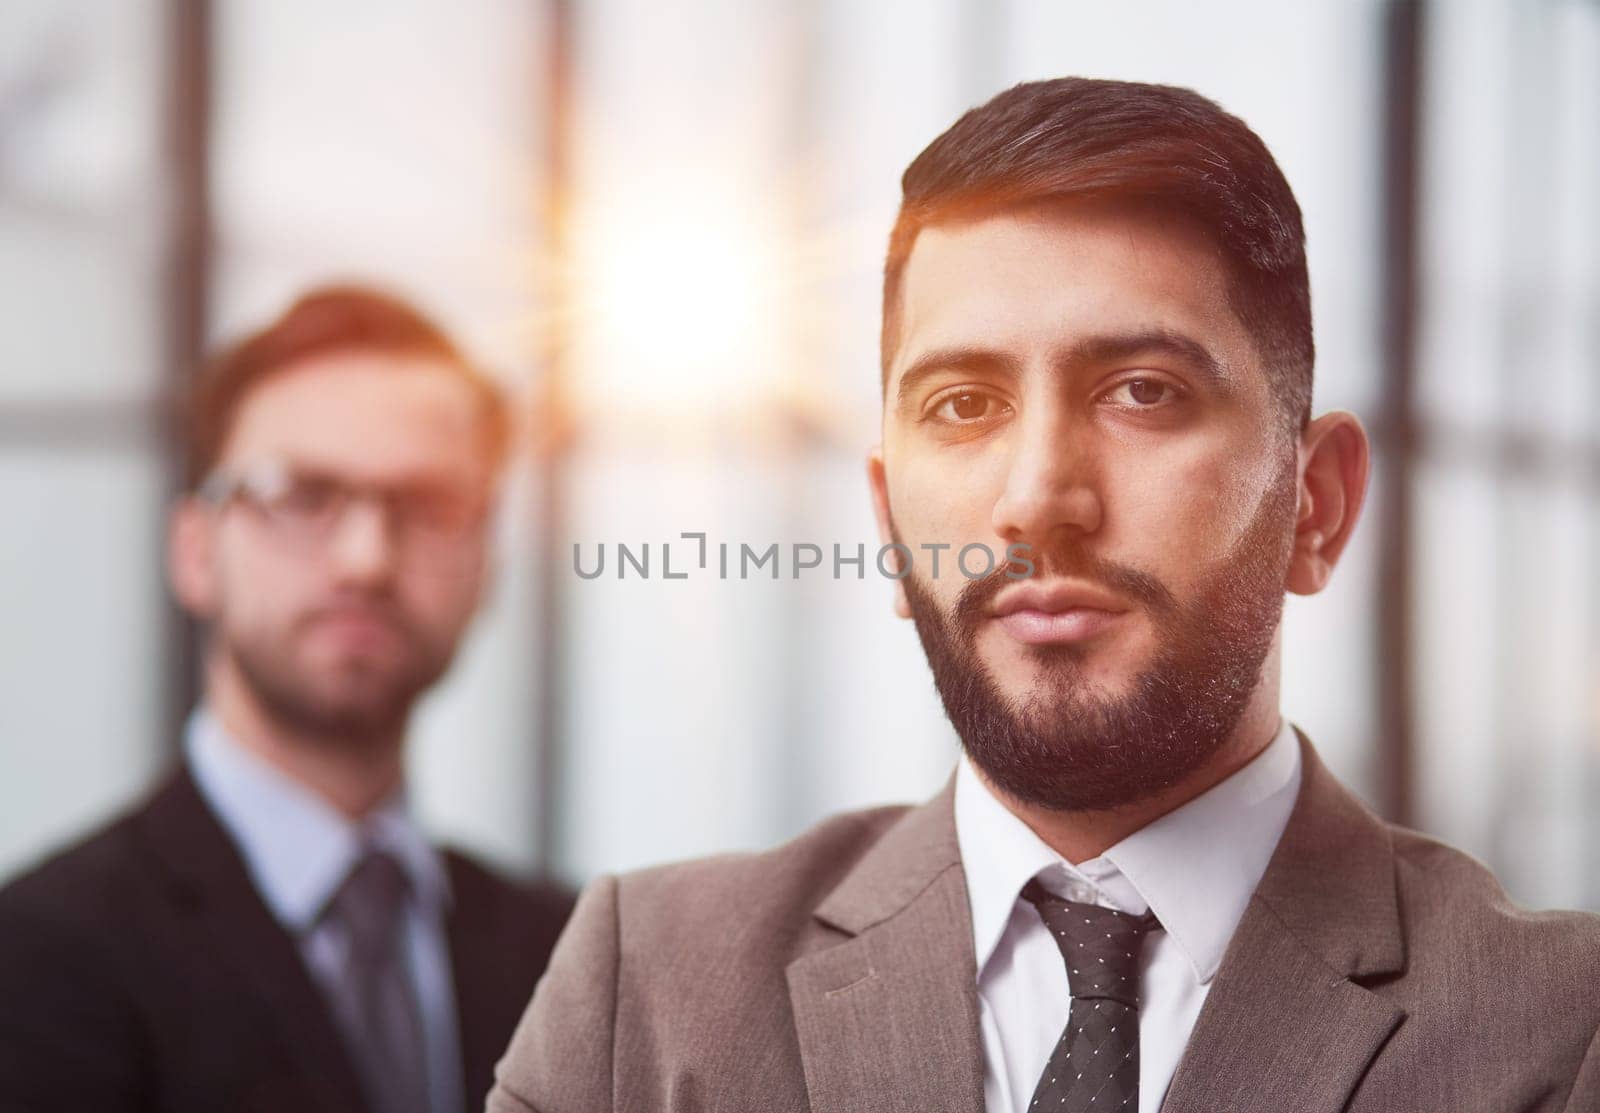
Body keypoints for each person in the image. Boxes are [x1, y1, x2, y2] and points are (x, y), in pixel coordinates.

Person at [487, 79, 1600, 1113]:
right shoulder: (640, 993)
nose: (1036, 499)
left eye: (1141, 392)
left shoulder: (1562, 1031)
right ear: (886, 525)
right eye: (964, 405)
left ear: (1313, 504)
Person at [0, 285, 575, 1113]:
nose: (365, 558)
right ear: (195, 551)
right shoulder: (42, 958)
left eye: (431, 506)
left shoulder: (573, 955)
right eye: (302, 496)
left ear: (489, 565)